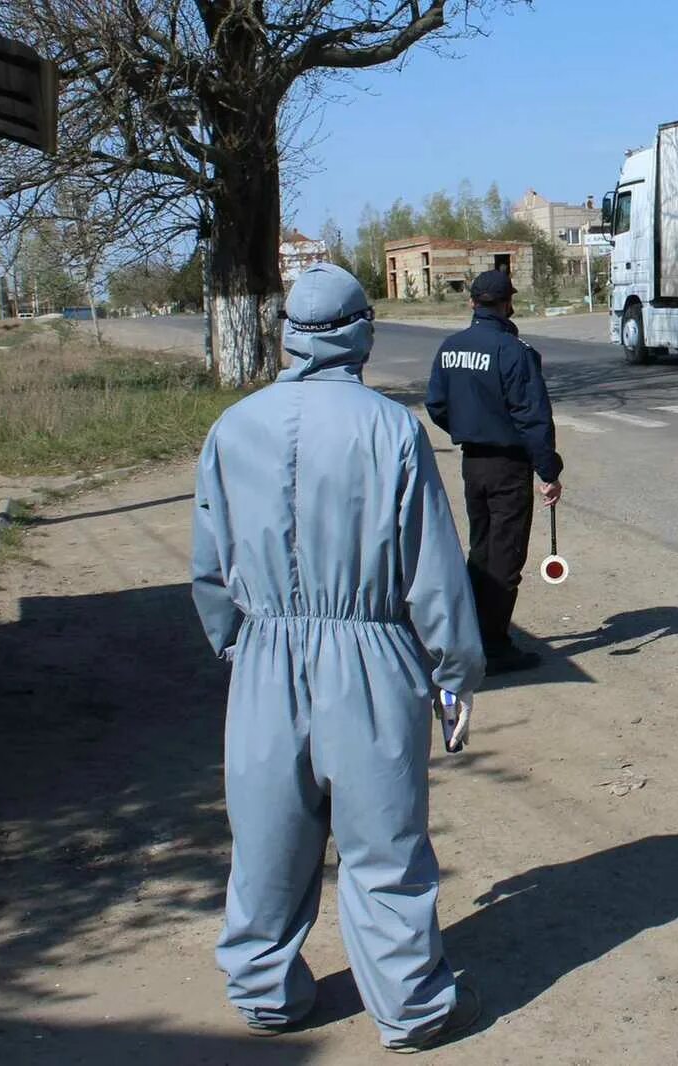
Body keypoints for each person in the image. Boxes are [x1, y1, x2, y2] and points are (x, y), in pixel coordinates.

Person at [191, 262, 486, 1053]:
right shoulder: (389, 429)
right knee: (384, 843)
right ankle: (411, 1009)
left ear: (288, 334)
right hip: (371, 654)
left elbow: (210, 571)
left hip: (263, 655)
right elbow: (432, 569)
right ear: (362, 333)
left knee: (267, 837)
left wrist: (239, 647)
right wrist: (456, 671)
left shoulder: (233, 427)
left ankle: (265, 992)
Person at [425, 269, 563, 675]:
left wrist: (467, 428)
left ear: (472, 303)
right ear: (507, 303)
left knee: (482, 549)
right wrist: (548, 470)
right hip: (506, 466)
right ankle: (495, 647)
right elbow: (532, 416)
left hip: (473, 463)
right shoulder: (512, 351)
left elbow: (436, 404)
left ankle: (474, 633)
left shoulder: (451, 347)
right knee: (504, 557)